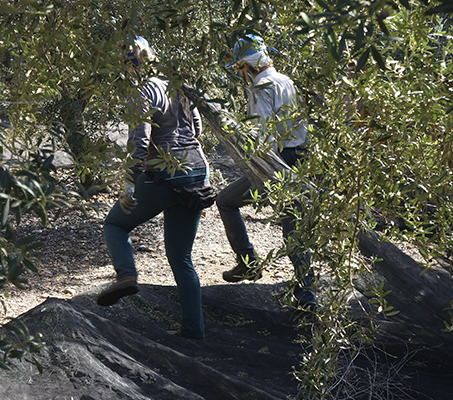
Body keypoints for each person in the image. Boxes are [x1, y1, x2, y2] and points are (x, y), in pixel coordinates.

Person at [97, 36, 211, 340]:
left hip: (165, 175)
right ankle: (193, 330)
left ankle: (126, 276)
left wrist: (128, 186)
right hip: (197, 174)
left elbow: (140, 142)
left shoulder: (142, 91)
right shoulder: (176, 85)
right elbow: (197, 128)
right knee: (181, 257)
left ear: (128, 64)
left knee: (115, 225)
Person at [217, 34, 317, 309]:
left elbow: (262, 134)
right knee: (293, 225)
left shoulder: (260, 86)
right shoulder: (285, 79)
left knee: (225, 201)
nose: (241, 75)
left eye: (240, 69)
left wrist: (250, 160)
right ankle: (307, 294)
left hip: (278, 161)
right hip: (300, 157)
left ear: (247, 66)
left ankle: (248, 262)